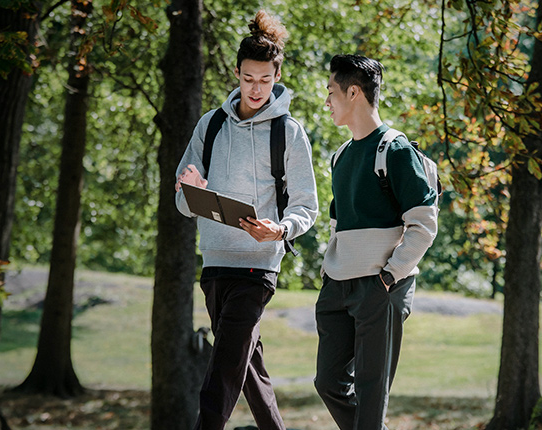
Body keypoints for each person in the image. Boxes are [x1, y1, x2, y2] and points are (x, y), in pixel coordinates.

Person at [174, 10, 318, 430]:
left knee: (221, 369)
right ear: (236, 73)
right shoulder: (211, 125)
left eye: (265, 80)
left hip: (258, 266)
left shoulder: (289, 132)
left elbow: (306, 206)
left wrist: (281, 229)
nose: (256, 89)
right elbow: (182, 204)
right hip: (215, 264)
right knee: (248, 368)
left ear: (277, 76)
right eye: (248, 79)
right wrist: (190, 189)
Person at [315, 54, 438, 430]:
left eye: (331, 92)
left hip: (381, 287)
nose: (327, 102)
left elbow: (423, 223)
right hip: (337, 285)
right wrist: (328, 274)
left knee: (371, 394)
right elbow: (339, 222)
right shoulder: (340, 156)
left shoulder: (395, 150)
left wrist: (390, 276)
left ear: (353, 92)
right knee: (328, 381)